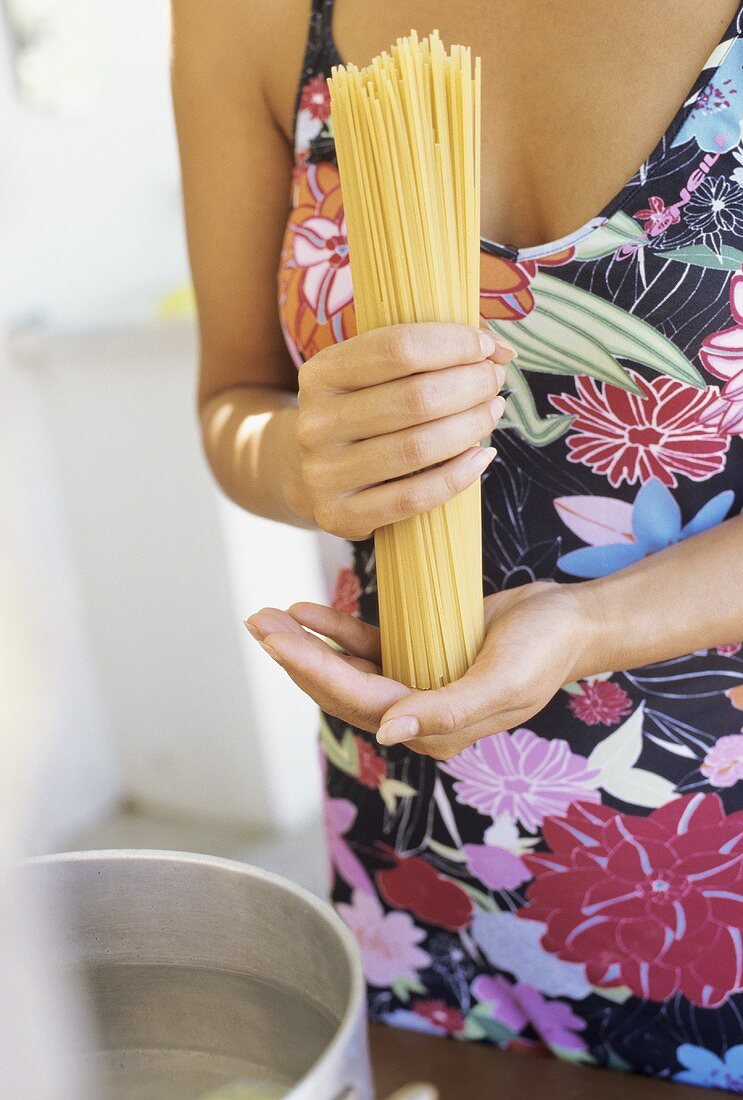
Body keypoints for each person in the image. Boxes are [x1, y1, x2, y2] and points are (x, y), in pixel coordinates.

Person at [172, 0, 743, 1087]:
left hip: (711, 834)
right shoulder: (243, 15)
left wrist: (587, 623)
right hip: (425, 818)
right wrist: (301, 456)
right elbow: (234, 397)